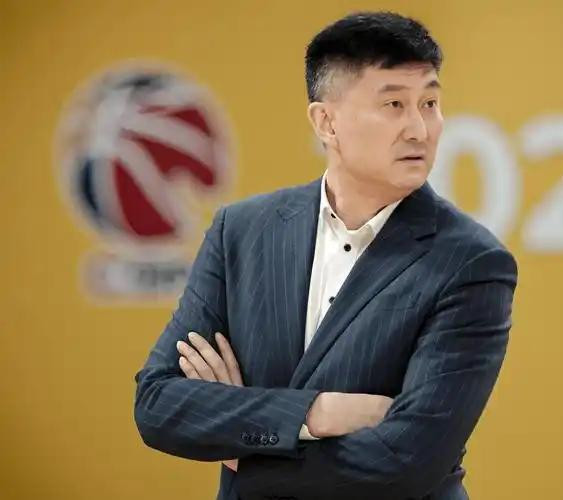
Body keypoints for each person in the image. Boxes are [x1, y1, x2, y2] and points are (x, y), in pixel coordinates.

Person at [134, 10, 518, 500]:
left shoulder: (471, 262)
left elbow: (407, 462)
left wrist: (240, 445)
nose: (420, 130)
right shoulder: (243, 231)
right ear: (326, 122)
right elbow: (158, 403)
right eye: (394, 104)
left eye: (430, 103)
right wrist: (317, 413)